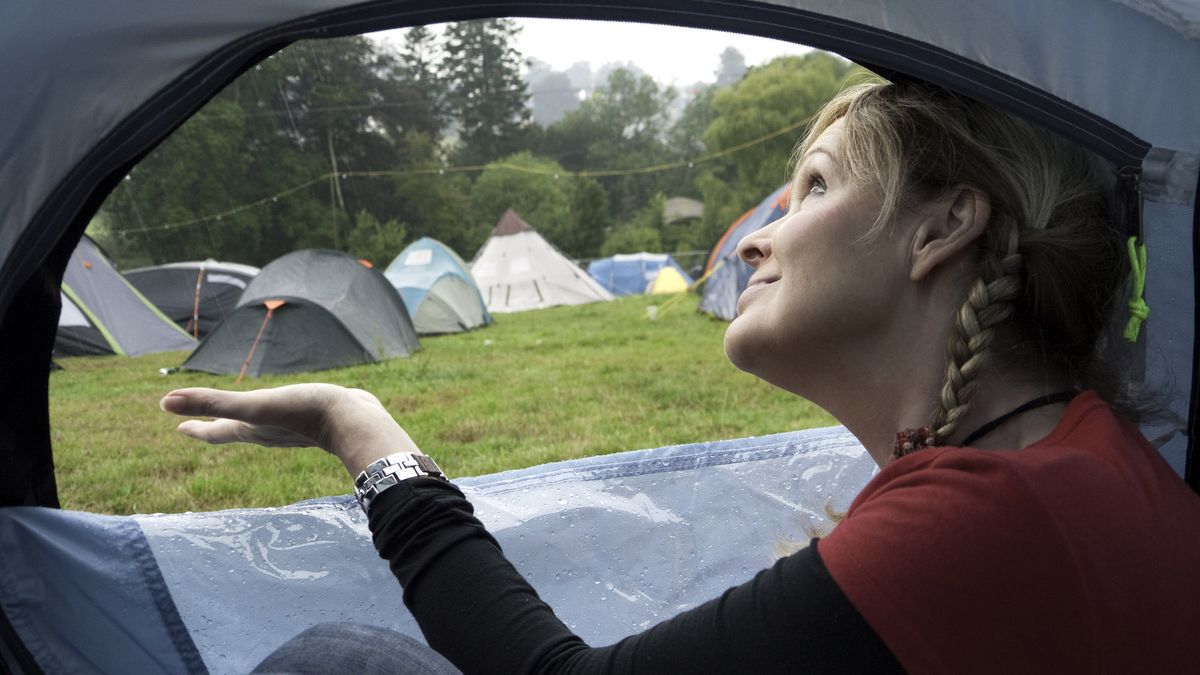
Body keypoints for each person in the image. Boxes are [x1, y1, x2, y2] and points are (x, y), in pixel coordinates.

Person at [160, 80, 1200, 673]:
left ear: (943, 227)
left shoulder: (996, 517)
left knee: (339, 664)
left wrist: (362, 431)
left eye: (815, 187)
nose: (755, 238)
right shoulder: (1071, 458)